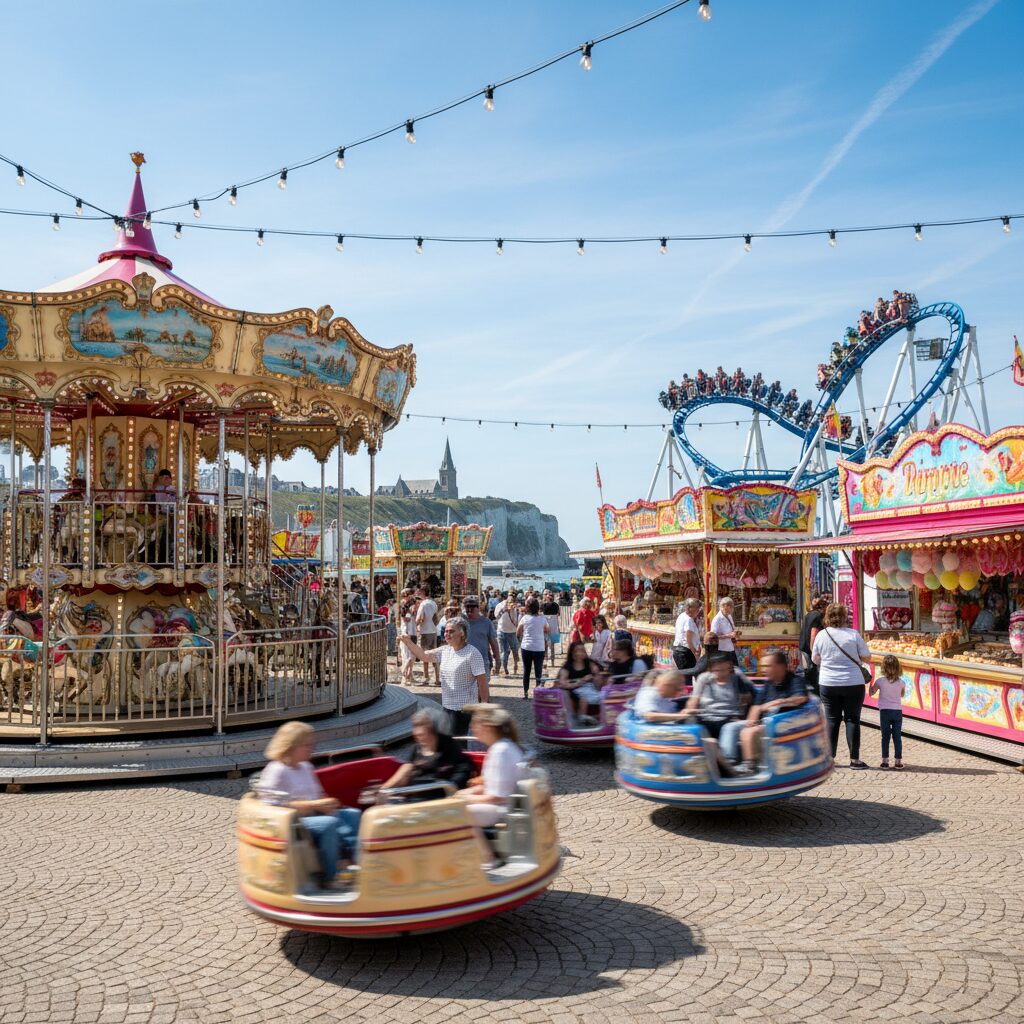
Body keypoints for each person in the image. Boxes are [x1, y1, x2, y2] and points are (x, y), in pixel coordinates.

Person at [259, 721, 362, 888]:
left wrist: (327, 804)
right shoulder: (277, 770)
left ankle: (358, 862)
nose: (311, 748)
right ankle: (331, 877)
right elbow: (276, 804)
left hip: (314, 813)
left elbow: (317, 794)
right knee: (329, 823)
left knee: (353, 814)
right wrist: (316, 805)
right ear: (291, 746)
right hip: (294, 821)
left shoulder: (305, 767)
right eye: (306, 745)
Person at [456, 704, 530, 865]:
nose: (472, 727)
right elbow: (490, 785)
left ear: (487, 727)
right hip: (503, 802)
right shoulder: (501, 747)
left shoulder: (501, 751)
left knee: (456, 814)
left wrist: (461, 800)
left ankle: (487, 858)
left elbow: (497, 796)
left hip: (504, 807)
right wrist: (461, 794)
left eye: (476, 723)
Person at [400, 618, 488, 736]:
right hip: (447, 707)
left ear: (462, 633)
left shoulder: (472, 653)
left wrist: (484, 705)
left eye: (451, 631)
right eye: (445, 631)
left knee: (460, 745)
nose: (447, 634)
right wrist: (408, 642)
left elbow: (482, 682)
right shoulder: (445, 651)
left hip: (465, 710)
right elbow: (424, 656)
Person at [812, 602, 871, 769]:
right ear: (845, 617)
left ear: (827, 617)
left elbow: (815, 659)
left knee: (832, 720)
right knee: (852, 719)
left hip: (828, 682)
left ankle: (830, 759)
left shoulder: (822, 636)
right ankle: (855, 760)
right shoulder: (853, 634)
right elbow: (867, 657)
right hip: (853, 682)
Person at [736, 650, 809, 773]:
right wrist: (751, 720)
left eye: (767, 666)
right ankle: (732, 762)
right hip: (767, 723)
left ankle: (750, 767)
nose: (764, 670)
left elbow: (801, 698)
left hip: (784, 725)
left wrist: (778, 702)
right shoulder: (769, 684)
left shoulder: (794, 681)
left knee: (748, 733)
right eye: (763, 666)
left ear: (780, 666)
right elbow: (757, 706)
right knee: (730, 728)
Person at [379, 709, 475, 794]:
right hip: (412, 799)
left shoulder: (455, 757)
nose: (419, 738)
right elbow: (404, 773)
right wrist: (383, 791)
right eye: (417, 735)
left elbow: (451, 788)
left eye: (423, 735)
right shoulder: (417, 750)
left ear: (437, 733)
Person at [685, 653, 755, 765]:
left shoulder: (736, 677)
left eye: (724, 670)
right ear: (711, 669)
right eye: (717, 670)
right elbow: (694, 700)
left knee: (729, 728)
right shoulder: (704, 678)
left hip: (729, 718)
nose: (720, 673)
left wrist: (742, 713)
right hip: (707, 716)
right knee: (690, 723)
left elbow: (748, 698)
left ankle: (728, 762)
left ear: (730, 668)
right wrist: (690, 710)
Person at [554, 640, 604, 721]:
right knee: (583, 699)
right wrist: (581, 681)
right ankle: (581, 718)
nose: (580, 653)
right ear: (572, 653)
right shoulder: (568, 666)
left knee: (601, 696)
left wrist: (597, 675)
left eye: (582, 650)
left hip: (590, 689)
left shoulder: (590, 663)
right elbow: (562, 683)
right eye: (578, 651)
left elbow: (598, 681)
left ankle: (597, 718)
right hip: (575, 690)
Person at [871, 654, 905, 770]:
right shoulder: (901, 682)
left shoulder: (880, 681)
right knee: (897, 737)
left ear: (883, 667)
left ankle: (885, 761)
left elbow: (871, 692)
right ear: (898, 667)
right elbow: (902, 694)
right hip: (897, 712)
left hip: (884, 712)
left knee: (885, 737)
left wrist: (871, 683)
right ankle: (898, 761)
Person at [463, 595, 500, 685]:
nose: (469, 610)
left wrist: (497, 659)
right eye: (467, 607)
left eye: (472, 607)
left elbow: (493, 642)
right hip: (464, 661)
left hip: (482, 661)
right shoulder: (461, 622)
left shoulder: (486, 622)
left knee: (482, 688)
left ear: (478, 608)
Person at [516, 596, 549, 698]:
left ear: (527, 608)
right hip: (539, 647)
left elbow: (518, 632)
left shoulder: (524, 618)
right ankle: (537, 693)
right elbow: (548, 630)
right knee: (538, 671)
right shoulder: (543, 619)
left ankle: (525, 693)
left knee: (527, 671)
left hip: (526, 646)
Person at [799, 594, 830, 692]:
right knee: (812, 671)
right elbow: (814, 633)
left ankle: (809, 689)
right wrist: (814, 651)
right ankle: (815, 692)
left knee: (807, 670)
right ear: (824, 607)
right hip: (809, 648)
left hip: (803, 646)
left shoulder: (809, 614)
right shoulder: (818, 616)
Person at [415, 586, 440, 684]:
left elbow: (418, 619)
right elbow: (436, 617)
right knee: (433, 654)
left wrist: (415, 625)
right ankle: (437, 678)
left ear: (423, 592)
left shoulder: (423, 604)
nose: (418, 592)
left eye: (419, 591)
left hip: (425, 631)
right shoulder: (433, 603)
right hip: (433, 631)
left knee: (424, 655)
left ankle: (426, 677)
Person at [494, 593, 521, 677]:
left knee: (509, 650)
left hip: (507, 631)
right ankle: (510, 667)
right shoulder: (504, 606)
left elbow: (496, 616)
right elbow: (496, 617)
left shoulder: (514, 606)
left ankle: (510, 666)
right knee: (509, 651)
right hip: (506, 631)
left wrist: (514, 610)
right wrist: (506, 610)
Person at [672, 598, 702, 671]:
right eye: (697, 608)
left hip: (680, 651)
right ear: (690, 608)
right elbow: (689, 639)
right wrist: (695, 653)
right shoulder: (688, 620)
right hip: (684, 652)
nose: (698, 611)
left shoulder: (682, 616)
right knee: (687, 677)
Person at [710, 597, 740, 665]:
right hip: (722, 651)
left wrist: (735, 634)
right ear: (724, 606)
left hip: (730, 648)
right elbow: (713, 637)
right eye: (731, 606)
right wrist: (728, 636)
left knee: (734, 669)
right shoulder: (717, 619)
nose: (732, 608)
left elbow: (732, 629)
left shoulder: (729, 616)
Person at [540, 590, 561, 667]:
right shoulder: (556, 605)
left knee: (545, 644)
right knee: (551, 645)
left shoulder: (543, 605)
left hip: (545, 625)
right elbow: (558, 614)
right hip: (554, 625)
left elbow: (540, 615)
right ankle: (552, 661)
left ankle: (545, 661)